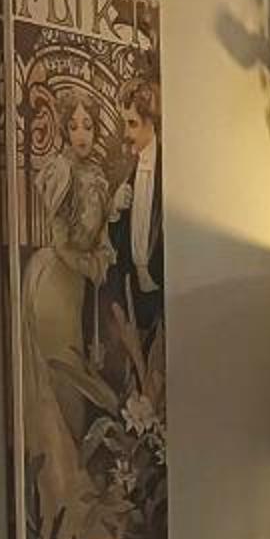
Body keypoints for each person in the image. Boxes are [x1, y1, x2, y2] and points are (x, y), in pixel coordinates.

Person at [19, 91, 115, 539]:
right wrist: (92, 263)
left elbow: (101, 242)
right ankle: (56, 502)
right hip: (54, 280)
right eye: (74, 126)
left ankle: (71, 517)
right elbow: (62, 241)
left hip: (77, 288)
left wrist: (101, 260)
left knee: (75, 390)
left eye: (88, 126)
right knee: (58, 383)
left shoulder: (99, 179)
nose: (81, 134)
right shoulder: (59, 173)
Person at [100, 71, 163, 388]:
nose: (127, 133)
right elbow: (117, 241)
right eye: (125, 123)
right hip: (136, 287)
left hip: (162, 285)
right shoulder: (130, 173)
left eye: (133, 124)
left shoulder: (167, 172)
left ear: (152, 122)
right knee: (140, 371)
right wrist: (114, 211)